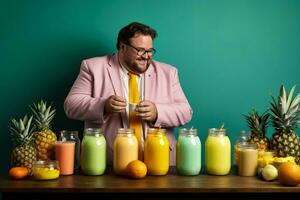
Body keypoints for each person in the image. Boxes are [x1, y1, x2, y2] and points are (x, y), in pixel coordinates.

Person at [64, 22, 192, 166]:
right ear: (122, 47)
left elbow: (186, 112)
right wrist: (103, 105)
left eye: (150, 50)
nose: (146, 56)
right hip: (106, 163)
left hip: (160, 163)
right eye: (140, 50)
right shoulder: (92, 67)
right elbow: (71, 105)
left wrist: (158, 112)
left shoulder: (168, 72)